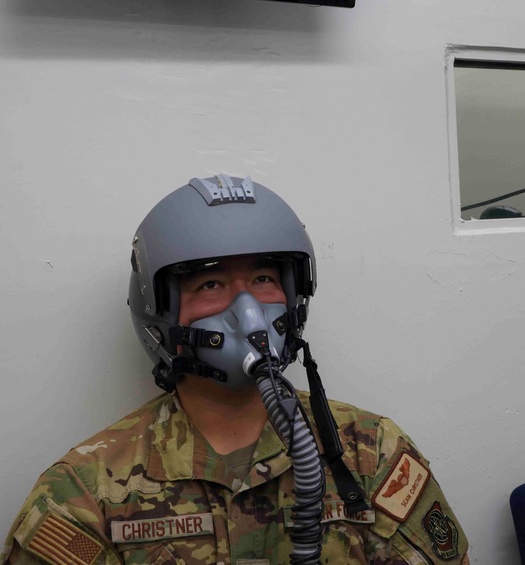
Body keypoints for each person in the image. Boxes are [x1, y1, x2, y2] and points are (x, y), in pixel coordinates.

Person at [2, 174, 469, 565]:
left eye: (264, 279)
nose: (247, 314)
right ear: (161, 314)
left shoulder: (370, 454)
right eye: (210, 282)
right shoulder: (87, 491)